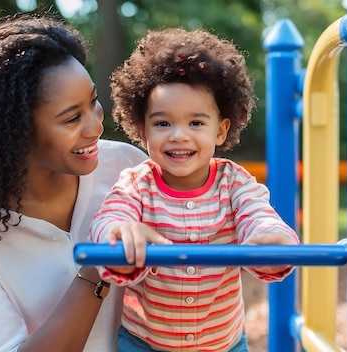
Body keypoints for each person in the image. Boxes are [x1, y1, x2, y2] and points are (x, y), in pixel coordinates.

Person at [0, 13, 162, 352]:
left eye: (94, 102)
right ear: (13, 132)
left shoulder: (127, 168)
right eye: (72, 117)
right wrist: (99, 269)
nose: (95, 127)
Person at [89, 27, 300, 352]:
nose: (178, 135)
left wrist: (268, 238)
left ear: (221, 130)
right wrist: (120, 232)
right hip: (145, 344)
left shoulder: (234, 183)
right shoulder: (137, 183)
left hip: (224, 344)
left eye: (196, 123)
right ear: (143, 132)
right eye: (162, 123)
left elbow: (258, 215)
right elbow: (112, 215)